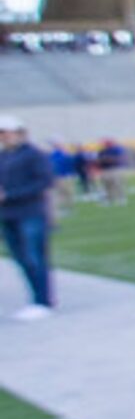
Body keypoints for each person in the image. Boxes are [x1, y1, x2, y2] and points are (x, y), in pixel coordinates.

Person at [0, 115, 54, 320]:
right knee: (21, 259)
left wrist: (10, 194)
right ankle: (35, 297)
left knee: (34, 257)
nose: (3, 137)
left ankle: (42, 300)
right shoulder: (3, 156)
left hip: (29, 212)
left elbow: (44, 182)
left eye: (6, 133)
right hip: (8, 214)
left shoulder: (34, 155)